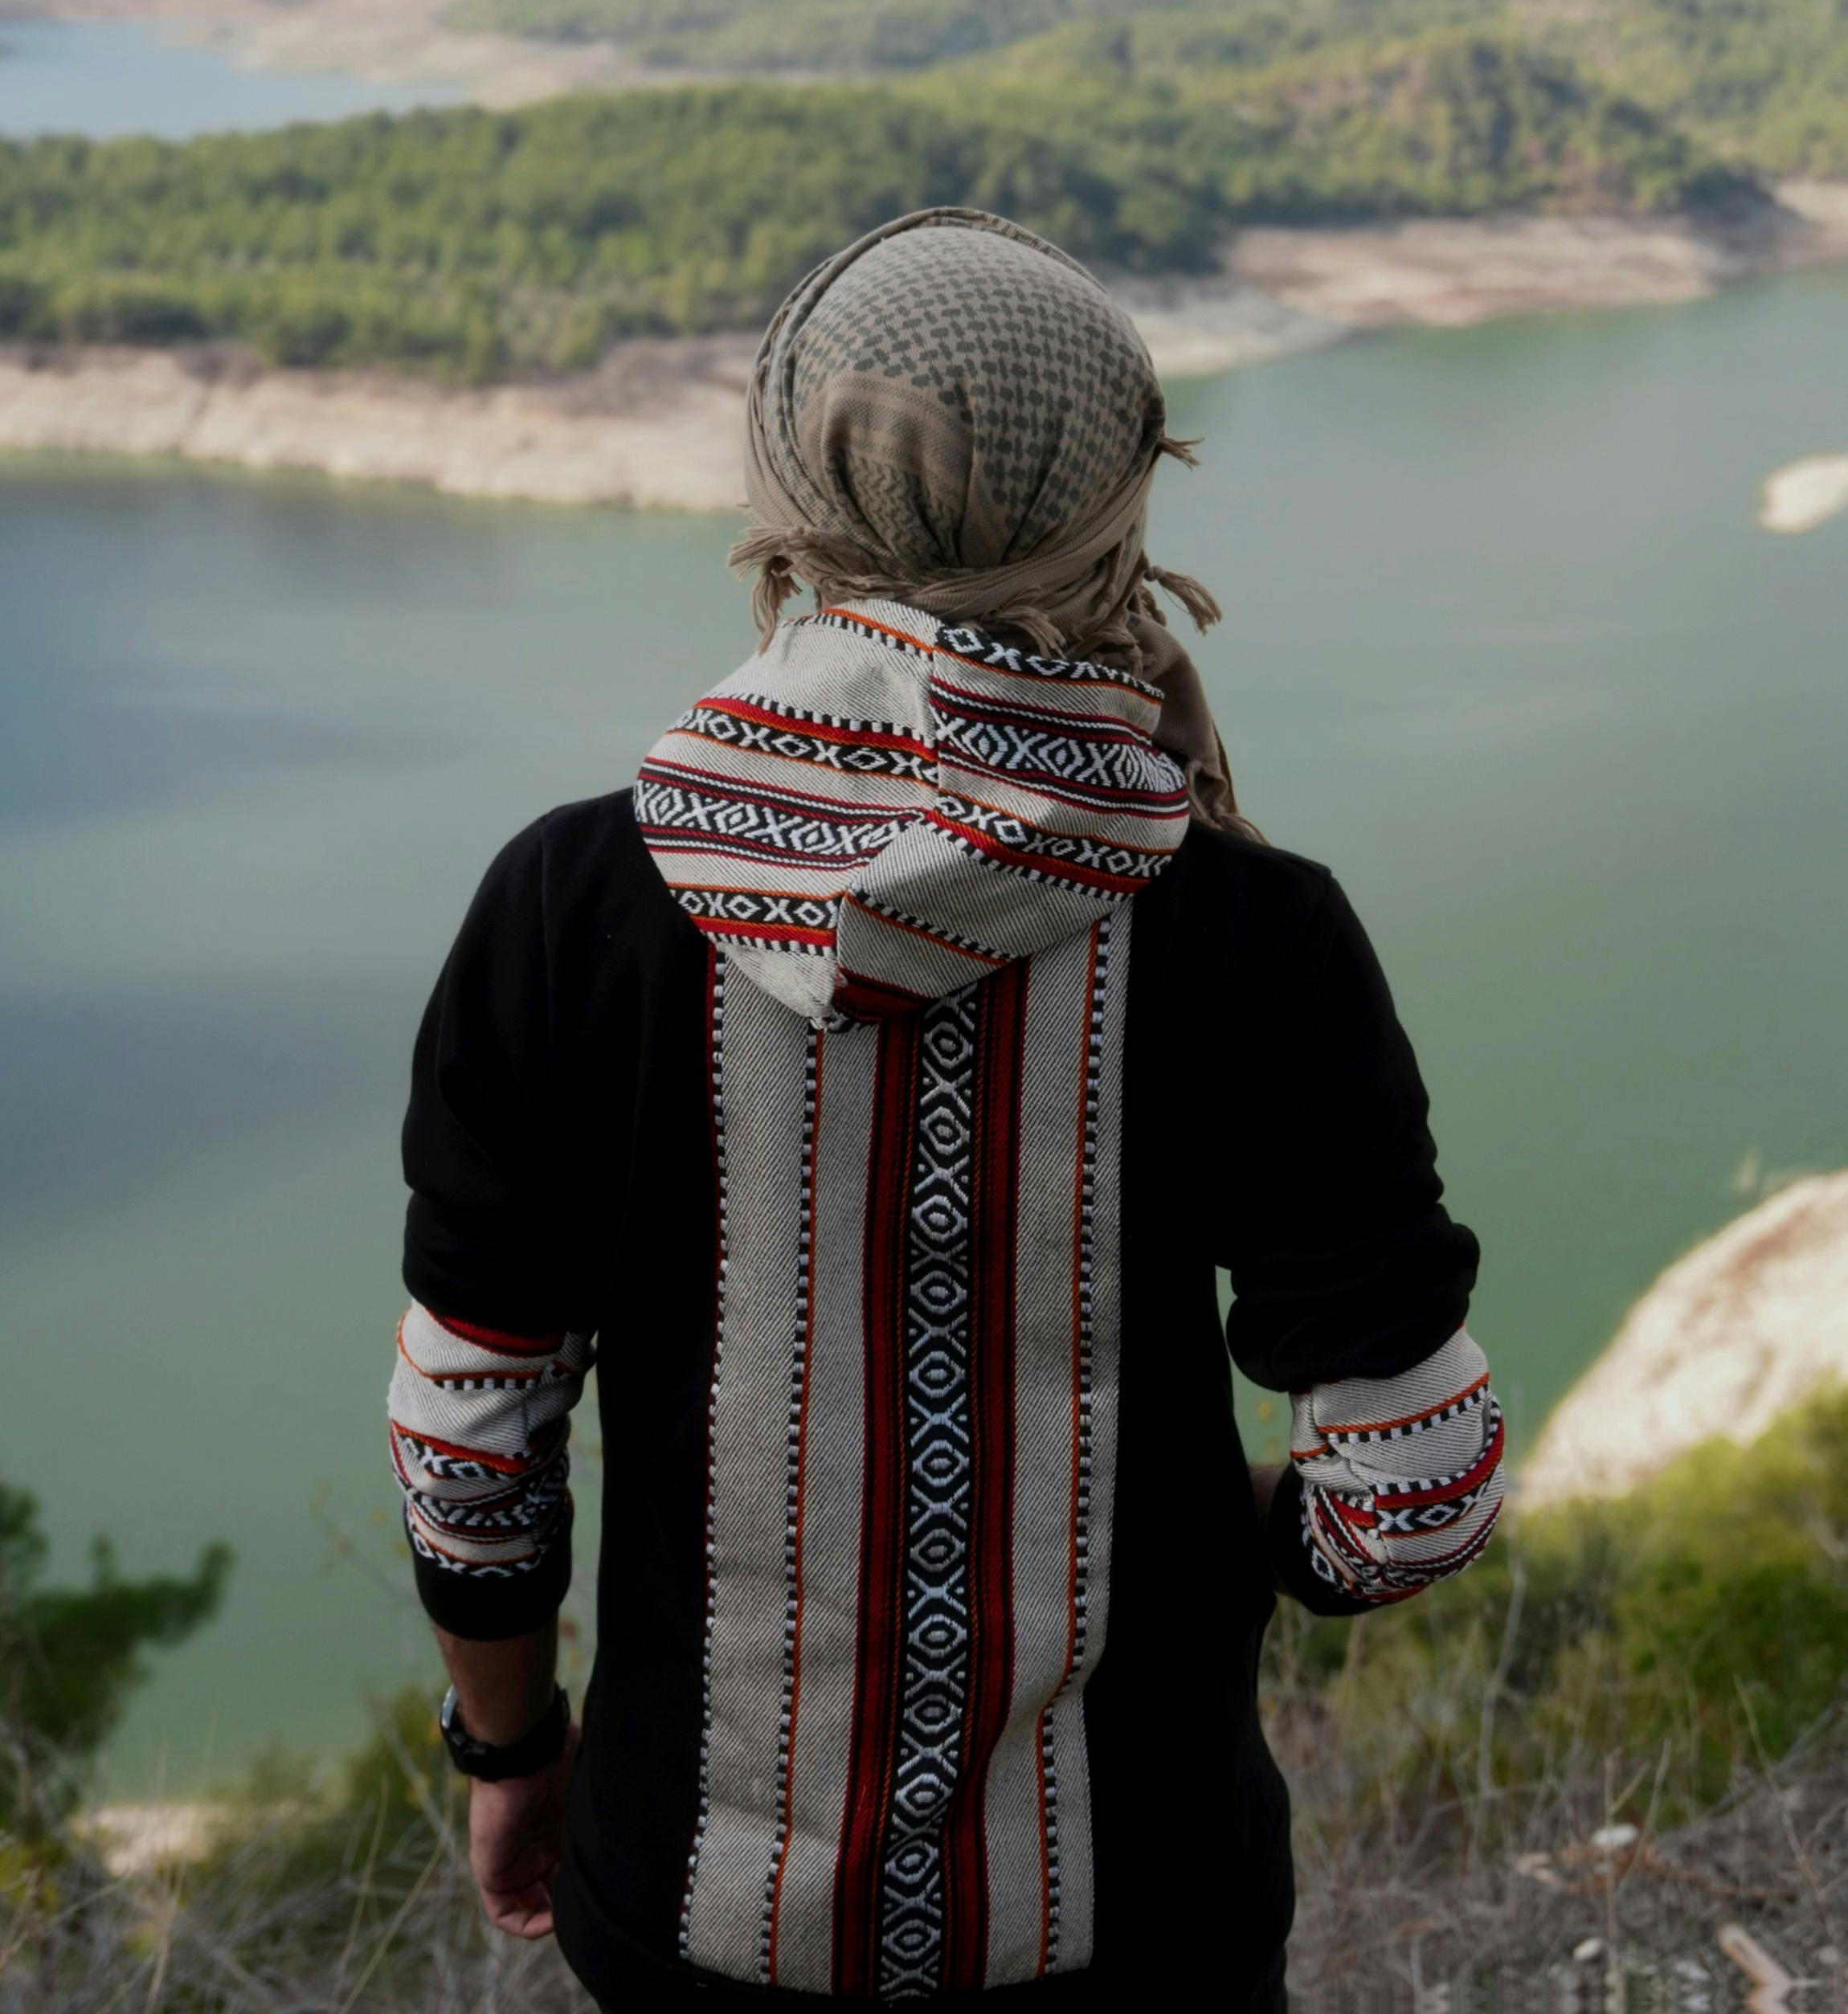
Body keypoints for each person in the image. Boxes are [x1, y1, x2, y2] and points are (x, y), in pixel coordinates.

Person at [389, 207, 1502, 2011]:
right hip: (1142, 1922)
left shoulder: (568, 903)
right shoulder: (1254, 930)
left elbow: (468, 1435)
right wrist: (1183, 1562)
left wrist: (507, 1751)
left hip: (690, 1923)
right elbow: (1412, 1487)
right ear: (1123, 490)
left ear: (786, 478)